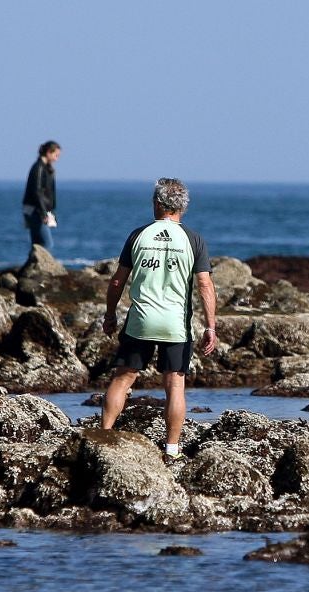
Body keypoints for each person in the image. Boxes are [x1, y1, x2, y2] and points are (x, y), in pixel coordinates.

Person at [98, 178, 220, 460]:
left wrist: (110, 313)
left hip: (141, 319)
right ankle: (172, 450)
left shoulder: (138, 235)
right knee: (175, 384)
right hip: (175, 323)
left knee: (123, 378)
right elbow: (205, 285)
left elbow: (118, 282)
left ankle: (103, 435)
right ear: (182, 208)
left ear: (157, 204)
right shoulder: (193, 239)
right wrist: (211, 326)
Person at [22, 141, 61, 252]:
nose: (56, 159)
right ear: (48, 152)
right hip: (36, 210)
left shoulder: (47, 169)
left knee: (37, 244)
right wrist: (43, 212)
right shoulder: (38, 168)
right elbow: (37, 191)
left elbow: (49, 192)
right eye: (56, 155)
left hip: (40, 210)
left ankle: (31, 267)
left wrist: (51, 210)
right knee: (46, 243)